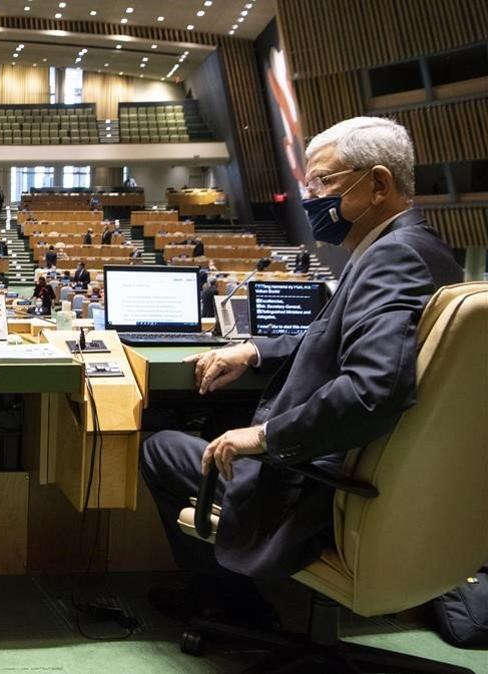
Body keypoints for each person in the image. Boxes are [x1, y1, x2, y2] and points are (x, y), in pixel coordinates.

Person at [140, 116, 463, 627]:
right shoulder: (426, 250)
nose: (310, 197)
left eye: (324, 181)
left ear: (378, 183)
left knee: (161, 447)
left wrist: (264, 436)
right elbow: (341, 337)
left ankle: (231, 607)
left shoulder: (391, 259)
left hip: (319, 486)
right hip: (391, 482)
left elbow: (370, 390)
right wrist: (254, 352)